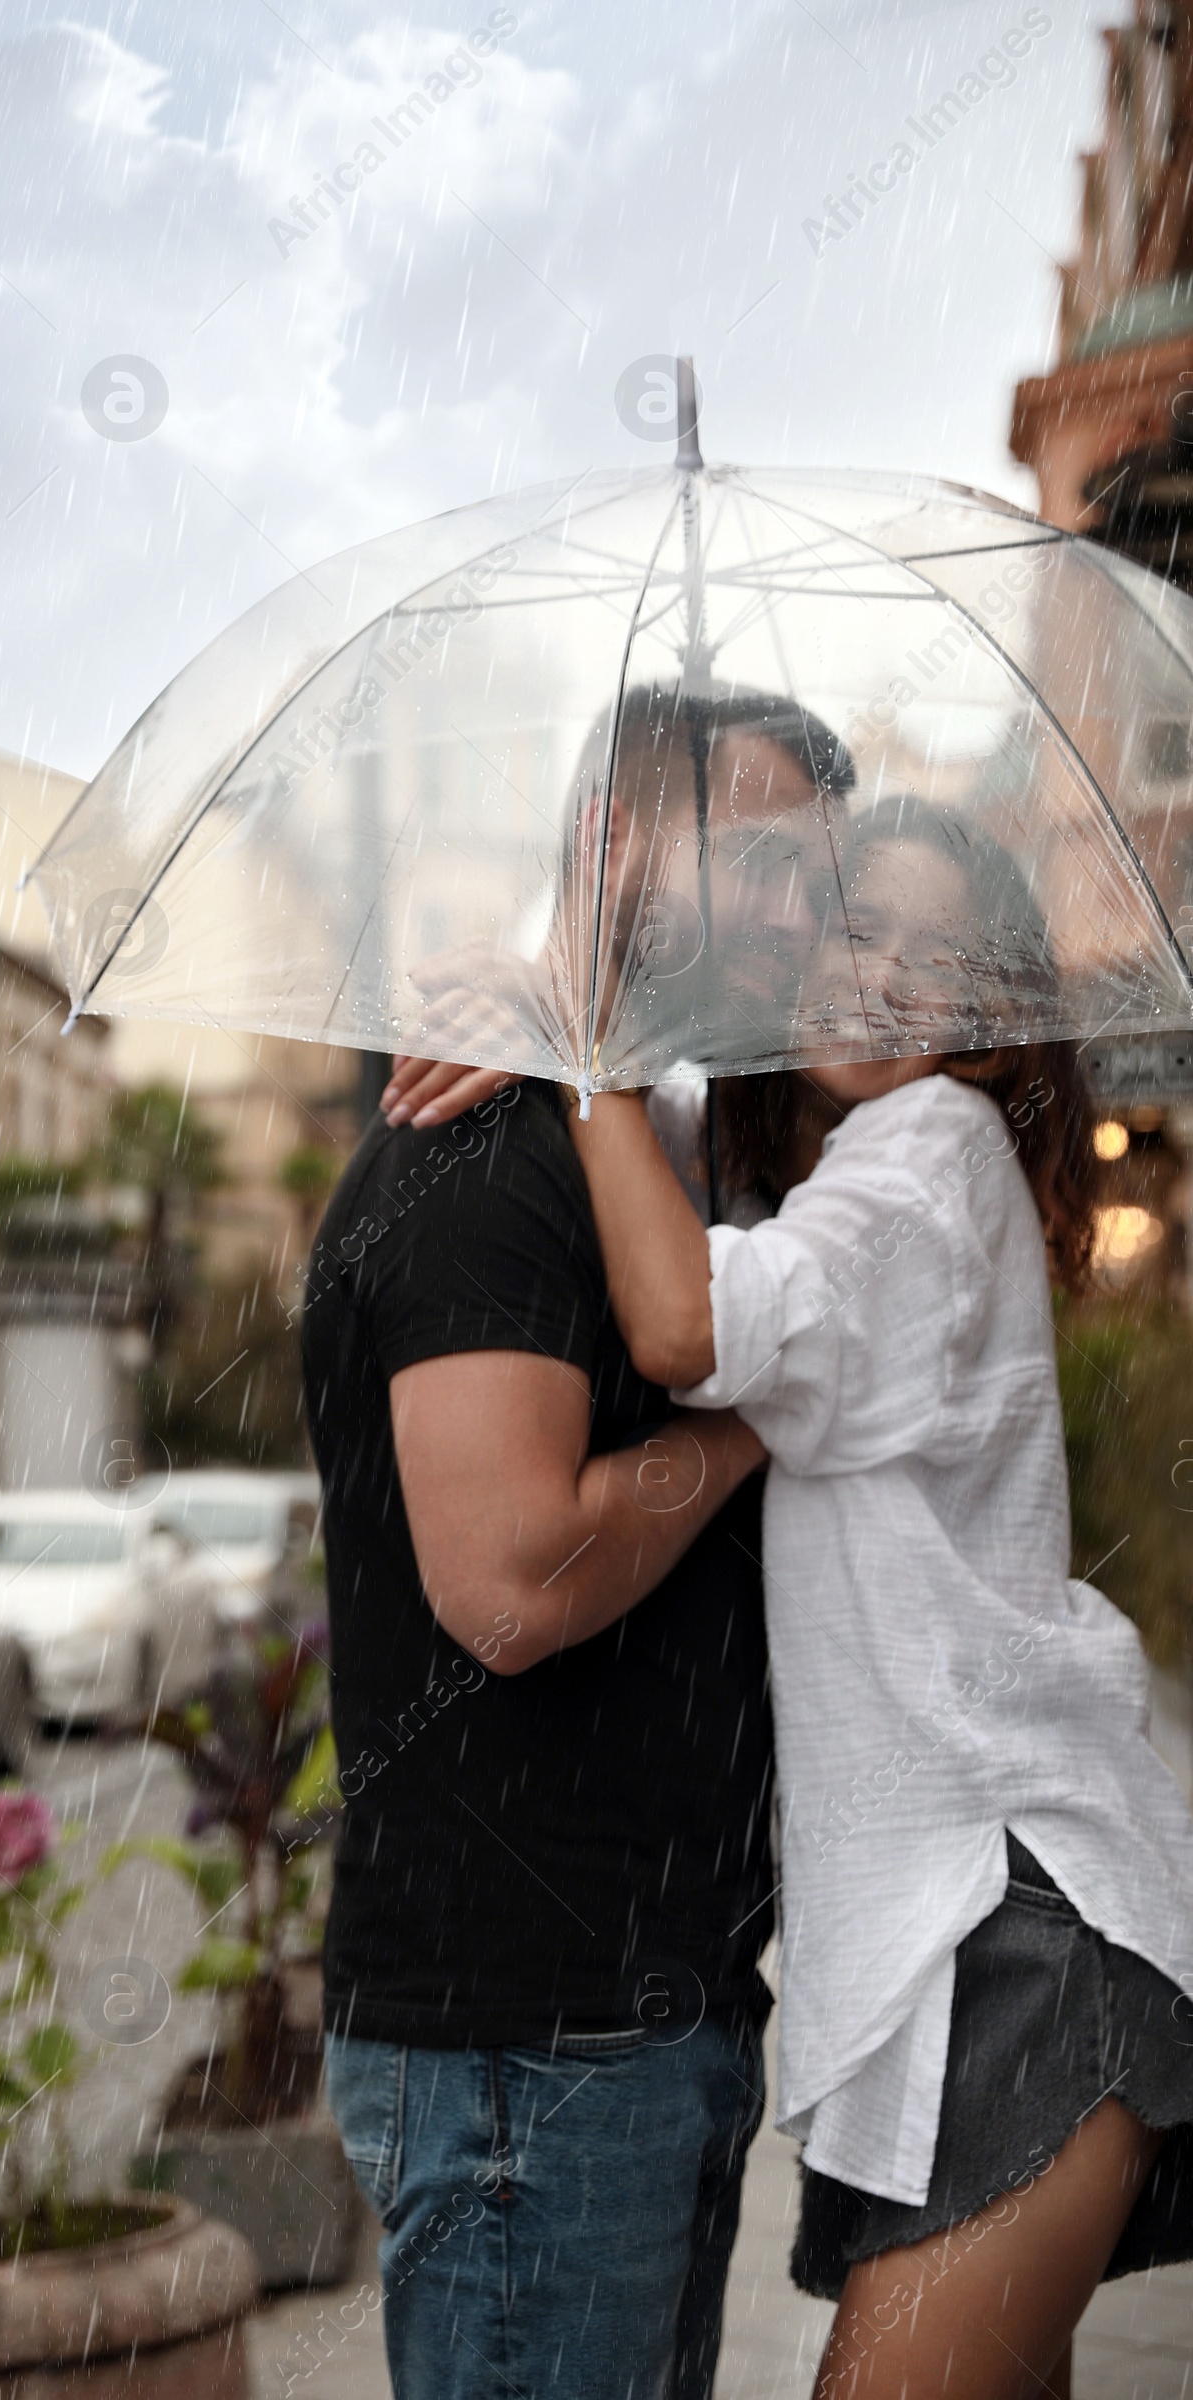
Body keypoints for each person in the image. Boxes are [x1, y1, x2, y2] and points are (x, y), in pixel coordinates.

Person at [388, 797, 1193, 2400]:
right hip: (973, 1959)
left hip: (1014, 1943)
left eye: (936, 953)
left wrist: (584, 1046)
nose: (884, 971)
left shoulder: (932, 1151)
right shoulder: (868, 1181)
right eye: (853, 924)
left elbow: (686, 1325)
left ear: (994, 1018)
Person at [302, 691, 854, 2400]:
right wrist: (761, 1417)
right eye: (759, 861)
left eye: (819, 886)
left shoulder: (639, 1144)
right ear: (611, 845)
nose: (798, 919)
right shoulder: (486, 1149)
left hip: (635, 2026)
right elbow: (513, 1583)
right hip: (528, 2056)